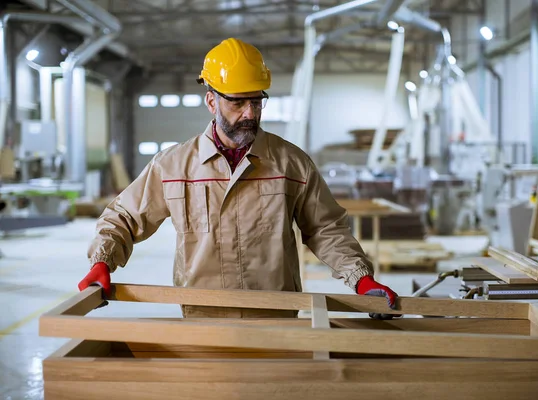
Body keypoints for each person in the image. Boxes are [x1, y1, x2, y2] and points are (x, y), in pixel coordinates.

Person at [78, 38, 398, 319]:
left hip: (276, 315)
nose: (249, 113)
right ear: (212, 101)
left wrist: (361, 278)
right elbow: (123, 217)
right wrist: (102, 262)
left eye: (256, 101)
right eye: (237, 102)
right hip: (203, 315)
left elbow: (326, 228)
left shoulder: (291, 163)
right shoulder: (173, 166)